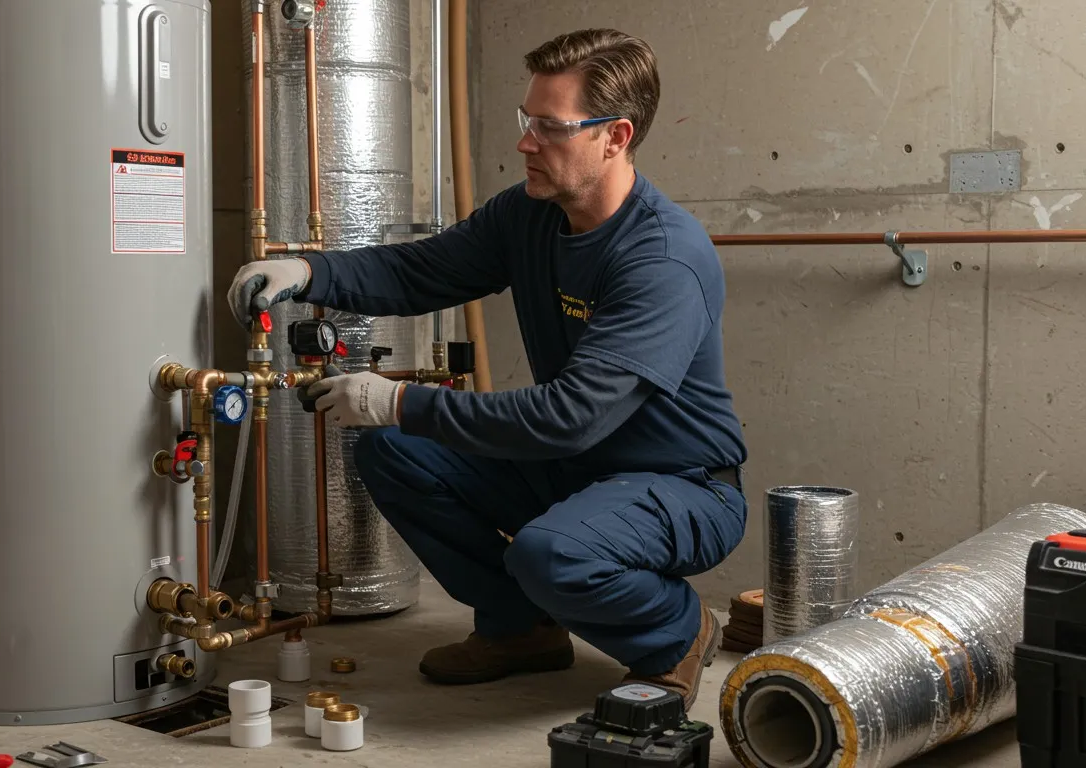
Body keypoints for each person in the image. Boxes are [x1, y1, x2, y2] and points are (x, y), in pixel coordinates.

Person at [226, 28, 747, 710]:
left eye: (550, 127)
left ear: (614, 136)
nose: (526, 142)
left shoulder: (662, 258)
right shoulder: (528, 215)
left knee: (549, 553)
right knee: (394, 452)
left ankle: (675, 630)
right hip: (579, 467)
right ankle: (519, 626)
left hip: (679, 484)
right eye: (526, 120)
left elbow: (571, 416)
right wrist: (308, 270)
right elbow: (422, 269)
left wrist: (397, 400)